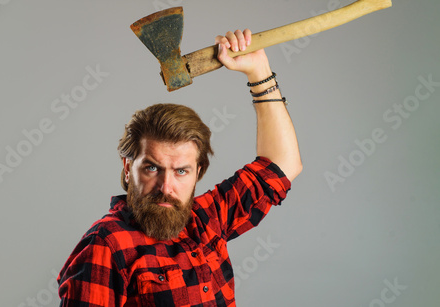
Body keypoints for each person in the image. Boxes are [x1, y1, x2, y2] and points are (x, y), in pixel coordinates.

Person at [57, 28, 302, 306]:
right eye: (152, 168)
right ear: (128, 168)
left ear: (199, 173)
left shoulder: (207, 221)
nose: (166, 187)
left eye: (181, 171)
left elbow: (282, 165)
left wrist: (259, 72)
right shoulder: (105, 246)